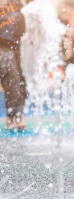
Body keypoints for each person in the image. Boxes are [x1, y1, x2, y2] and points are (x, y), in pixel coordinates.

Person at [0, 0, 27, 130]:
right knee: (11, 77)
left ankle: (15, 114)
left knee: (19, 79)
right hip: (2, 44)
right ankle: (15, 115)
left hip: (15, 43)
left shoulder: (16, 5)